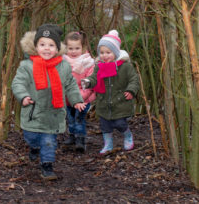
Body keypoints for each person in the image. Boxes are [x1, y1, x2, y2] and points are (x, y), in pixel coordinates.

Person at [11, 24, 86, 180]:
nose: (47, 48)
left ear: (57, 48)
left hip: (53, 113)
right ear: (36, 46)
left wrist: (77, 100)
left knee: (49, 141)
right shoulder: (27, 66)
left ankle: (47, 166)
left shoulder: (63, 66)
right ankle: (34, 146)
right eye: (42, 44)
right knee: (31, 136)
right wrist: (23, 96)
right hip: (33, 112)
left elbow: (70, 84)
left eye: (51, 45)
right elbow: (17, 83)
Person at [81, 30, 139, 154]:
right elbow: (94, 78)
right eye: (101, 52)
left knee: (120, 123)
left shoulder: (125, 66)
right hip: (103, 102)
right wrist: (88, 82)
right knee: (105, 125)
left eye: (108, 52)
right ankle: (108, 144)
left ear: (116, 52)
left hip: (120, 101)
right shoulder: (99, 66)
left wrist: (131, 90)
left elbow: (134, 79)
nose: (104, 55)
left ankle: (127, 135)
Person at [62, 31, 96, 152]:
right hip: (67, 99)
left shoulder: (88, 63)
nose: (73, 51)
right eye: (70, 48)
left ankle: (80, 139)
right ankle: (72, 136)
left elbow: (90, 83)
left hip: (83, 98)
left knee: (79, 118)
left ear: (83, 47)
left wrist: (79, 98)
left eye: (77, 48)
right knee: (70, 118)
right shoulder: (63, 62)